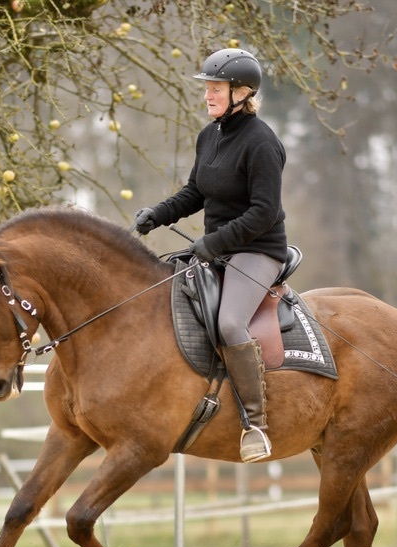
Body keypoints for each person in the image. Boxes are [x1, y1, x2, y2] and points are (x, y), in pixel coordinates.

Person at [134, 48, 287, 462]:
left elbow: (264, 212)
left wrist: (215, 243)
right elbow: (196, 193)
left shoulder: (262, 143)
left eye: (215, 88)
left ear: (242, 92)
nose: (208, 95)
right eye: (207, 88)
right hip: (217, 250)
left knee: (230, 322)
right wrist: (157, 214)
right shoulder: (211, 135)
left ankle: (256, 423)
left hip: (258, 250)